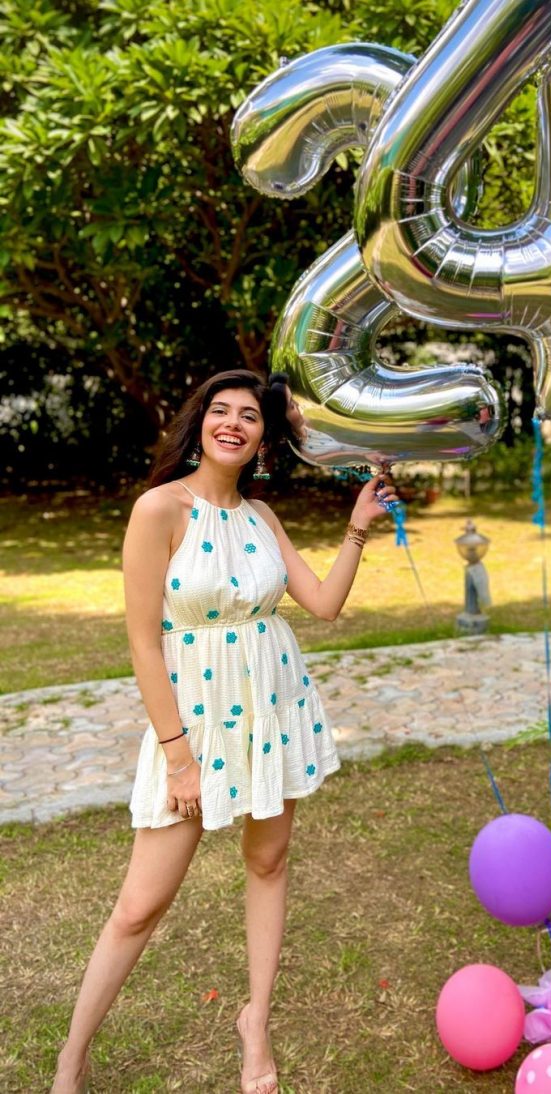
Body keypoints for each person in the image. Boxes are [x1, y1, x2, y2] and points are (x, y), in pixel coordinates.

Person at [51, 369, 397, 1094]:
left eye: (249, 415)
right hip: (195, 727)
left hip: (272, 707)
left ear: (264, 439)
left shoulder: (262, 519)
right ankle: (71, 1061)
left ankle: (256, 1026)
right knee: (139, 905)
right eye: (221, 410)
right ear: (199, 424)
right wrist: (179, 761)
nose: (233, 423)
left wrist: (358, 526)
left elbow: (324, 605)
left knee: (268, 865)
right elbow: (145, 643)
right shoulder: (159, 510)